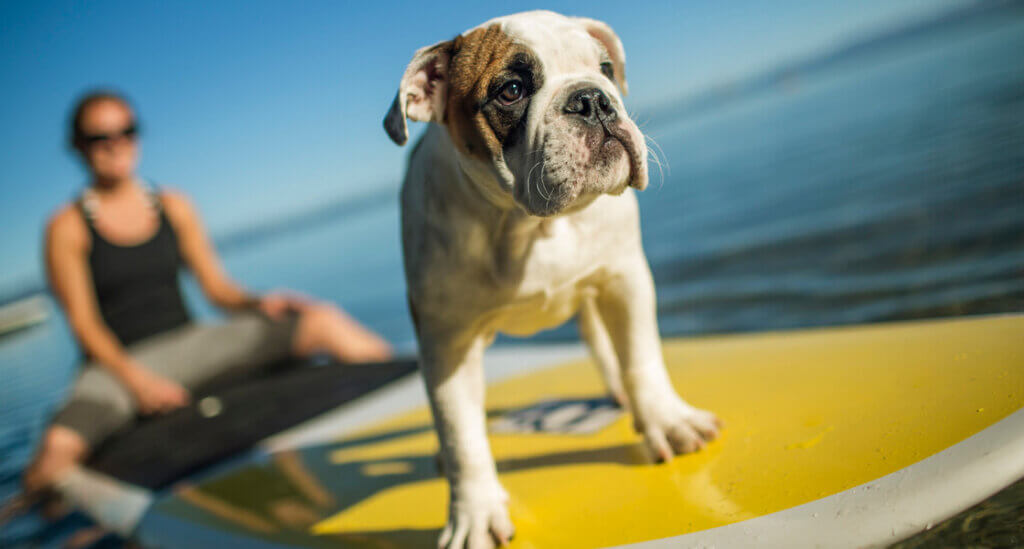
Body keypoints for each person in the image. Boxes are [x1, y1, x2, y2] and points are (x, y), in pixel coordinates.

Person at [5, 90, 393, 534]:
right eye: (100, 136)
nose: (117, 143)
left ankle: (419, 398)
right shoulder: (66, 226)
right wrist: (140, 382)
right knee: (54, 454)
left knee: (322, 320)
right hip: (115, 366)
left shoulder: (173, 204)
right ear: (78, 146)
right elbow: (84, 325)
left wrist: (260, 302)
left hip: (191, 344)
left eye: (126, 131)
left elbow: (217, 289)